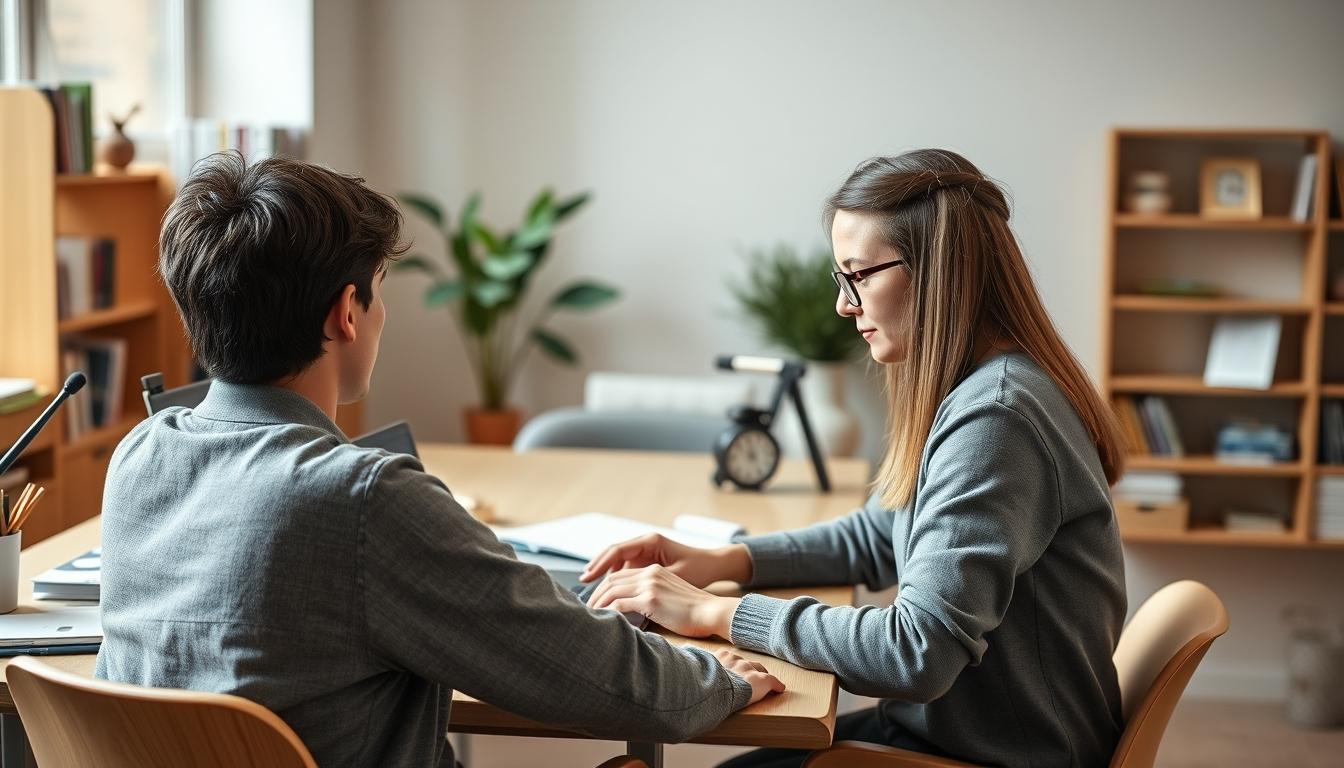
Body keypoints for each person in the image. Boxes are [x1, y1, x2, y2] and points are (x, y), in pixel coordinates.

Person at [95, 153, 783, 768]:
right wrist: (717, 680)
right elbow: (593, 675)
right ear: (347, 313)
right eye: (380, 289)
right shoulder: (361, 497)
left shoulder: (138, 457)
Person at [581, 149, 1129, 768]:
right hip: (963, 734)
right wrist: (725, 560)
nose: (845, 305)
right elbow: (879, 533)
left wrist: (713, 611)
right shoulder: (979, 389)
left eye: (859, 276)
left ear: (941, 273)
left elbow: (915, 653)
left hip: (1000, 755)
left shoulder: (997, 419)